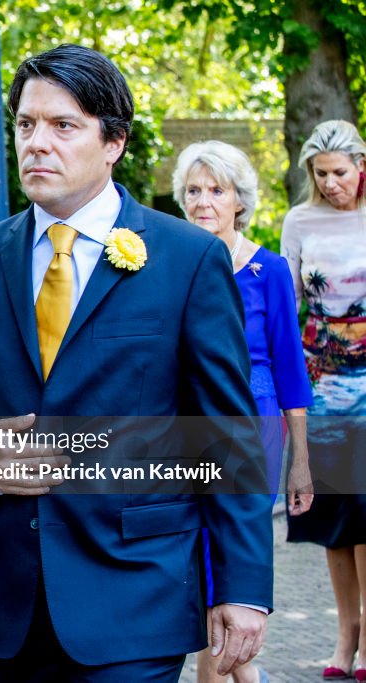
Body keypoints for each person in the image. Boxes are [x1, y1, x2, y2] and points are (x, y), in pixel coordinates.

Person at [0, 44, 273, 682]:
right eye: (25, 125)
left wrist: (241, 586)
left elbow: (228, 432)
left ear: (114, 144)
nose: (36, 143)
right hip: (12, 599)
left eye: (63, 126)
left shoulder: (186, 259)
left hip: (137, 590)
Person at [173, 140, 315, 683]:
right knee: (201, 554)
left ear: (239, 200)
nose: (203, 201)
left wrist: (301, 462)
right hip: (187, 426)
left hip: (254, 424)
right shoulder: (173, 262)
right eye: (193, 190)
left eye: (216, 190)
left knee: (234, 555)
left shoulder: (269, 269)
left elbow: (290, 367)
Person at [281, 119, 366, 681]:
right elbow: (287, 310)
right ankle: (345, 637)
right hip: (324, 392)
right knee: (336, 524)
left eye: (340, 172)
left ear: (361, 167)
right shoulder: (299, 221)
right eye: (321, 174)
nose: (332, 183)